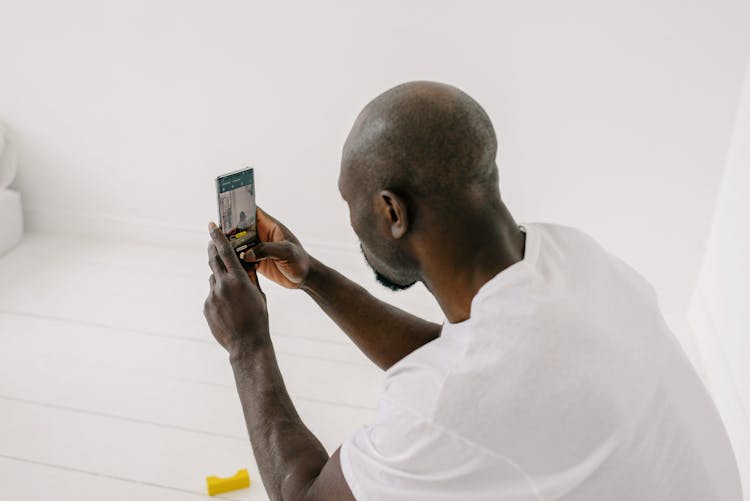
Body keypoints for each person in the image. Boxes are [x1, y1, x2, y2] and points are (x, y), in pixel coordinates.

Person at [203, 81, 743, 500]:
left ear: (393, 211)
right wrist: (313, 276)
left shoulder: (451, 409)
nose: (350, 220)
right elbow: (464, 361)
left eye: (352, 205)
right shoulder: (572, 255)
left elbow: (305, 496)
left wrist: (247, 344)